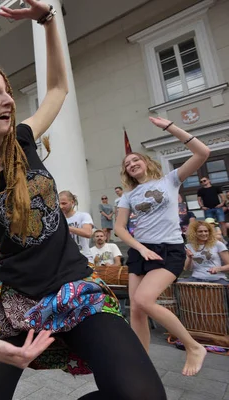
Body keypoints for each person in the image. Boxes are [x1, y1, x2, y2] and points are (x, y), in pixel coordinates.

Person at [0, 3, 167, 399]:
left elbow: (57, 88)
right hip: (17, 301)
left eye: (7, 91)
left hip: (76, 288)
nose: (8, 99)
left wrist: (47, 21)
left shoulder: (23, 139)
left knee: (141, 395)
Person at [115, 116, 210, 377]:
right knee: (135, 308)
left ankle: (193, 346)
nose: (132, 164)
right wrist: (140, 248)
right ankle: (141, 364)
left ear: (146, 162)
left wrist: (169, 127)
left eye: (136, 160)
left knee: (145, 300)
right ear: (126, 172)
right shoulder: (128, 195)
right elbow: (119, 228)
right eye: (128, 164)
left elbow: (203, 152)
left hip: (168, 250)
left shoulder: (170, 180)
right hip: (140, 251)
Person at [183, 221, 229, 285]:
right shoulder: (188, 247)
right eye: (200, 231)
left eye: (206, 231)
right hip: (196, 278)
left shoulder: (218, 244)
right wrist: (189, 258)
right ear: (194, 233)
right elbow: (187, 269)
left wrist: (219, 268)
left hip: (217, 279)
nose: (204, 233)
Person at [59, 190, 94, 262]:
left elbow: (88, 233)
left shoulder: (83, 215)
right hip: (66, 260)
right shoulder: (58, 219)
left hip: (84, 257)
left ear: (72, 202)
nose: (61, 206)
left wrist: (67, 228)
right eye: (59, 204)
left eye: (64, 203)